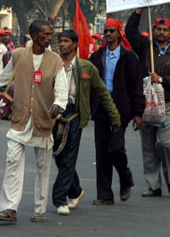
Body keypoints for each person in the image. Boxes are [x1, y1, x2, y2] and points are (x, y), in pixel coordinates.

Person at [0, 20, 67, 223]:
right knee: (13, 160)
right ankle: (9, 207)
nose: (49, 38)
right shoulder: (18, 55)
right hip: (19, 119)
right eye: (45, 35)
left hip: (43, 120)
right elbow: (4, 79)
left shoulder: (55, 61)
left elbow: (62, 88)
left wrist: (59, 104)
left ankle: (39, 208)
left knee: (43, 166)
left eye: (50, 34)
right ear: (34, 35)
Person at [52, 29, 121, 215]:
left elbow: (102, 92)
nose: (62, 44)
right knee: (58, 155)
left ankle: (60, 199)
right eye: (60, 41)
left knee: (68, 158)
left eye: (66, 41)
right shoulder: (52, 64)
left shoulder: (86, 67)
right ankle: (75, 190)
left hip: (75, 116)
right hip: (55, 115)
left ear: (75, 44)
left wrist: (115, 116)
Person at [125, 8, 170, 197]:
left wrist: (161, 79)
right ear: (153, 31)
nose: (161, 32)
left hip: (167, 105)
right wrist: (138, 12)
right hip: (146, 104)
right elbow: (130, 32)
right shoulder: (145, 46)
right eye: (158, 29)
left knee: (165, 143)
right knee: (148, 146)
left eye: (165, 30)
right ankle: (154, 185)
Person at [89, 18, 145, 205]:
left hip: (121, 108)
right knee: (101, 151)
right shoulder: (96, 57)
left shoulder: (129, 58)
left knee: (115, 148)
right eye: (106, 31)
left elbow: (137, 87)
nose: (108, 34)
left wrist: (138, 113)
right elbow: (89, 85)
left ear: (119, 33)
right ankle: (104, 195)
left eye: (112, 31)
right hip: (101, 107)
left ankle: (125, 177)